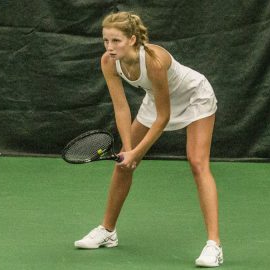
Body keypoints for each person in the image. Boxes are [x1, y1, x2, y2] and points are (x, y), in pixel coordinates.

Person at [74, 11, 222, 267]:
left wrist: (138, 153)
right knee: (122, 164)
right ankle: (107, 231)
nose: (109, 47)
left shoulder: (154, 60)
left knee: (197, 163)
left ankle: (214, 245)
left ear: (132, 39)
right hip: (156, 99)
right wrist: (129, 150)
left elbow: (163, 117)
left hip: (194, 97)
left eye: (116, 41)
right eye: (106, 41)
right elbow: (121, 108)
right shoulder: (109, 62)